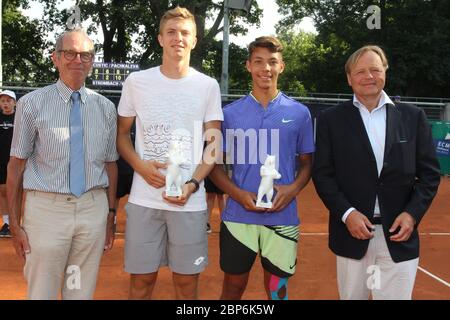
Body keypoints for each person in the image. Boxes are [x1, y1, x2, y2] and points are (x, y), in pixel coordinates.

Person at [312, 45, 440, 300]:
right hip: (351, 235)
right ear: (349, 78)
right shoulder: (330, 119)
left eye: (375, 69)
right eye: (360, 71)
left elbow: (429, 174)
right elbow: (323, 174)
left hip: (399, 237)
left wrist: (412, 214)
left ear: (385, 73)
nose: (368, 76)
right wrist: (347, 214)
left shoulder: (413, 117)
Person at [117, 6, 223, 300]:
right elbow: (121, 134)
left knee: (187, 286)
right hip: (143, 200)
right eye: (172, 32)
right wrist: (140, 166)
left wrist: (192, 185)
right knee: (141, 283)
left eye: (185, 33)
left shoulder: (207, 85)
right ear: (160, 38)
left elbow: (213, 144)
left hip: (189, 203)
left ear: (194, 40)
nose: (178, 38)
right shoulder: (136, 82)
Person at [7, 28, 118, 300]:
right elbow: (15, 166)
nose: (77, 60)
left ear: (92, 61)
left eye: (85, 55)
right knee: (41, 293)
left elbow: (111, 165)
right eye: (70, 53)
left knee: (79, 292)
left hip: (93, 210)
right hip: (46, 213)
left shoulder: (105, 108)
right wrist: (15, 224)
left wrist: (110, 213)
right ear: (55, 58)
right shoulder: (31, 104)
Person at [209, 36, 315, 300]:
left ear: (282, 67)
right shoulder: (229, 114)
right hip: (238, 217)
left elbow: (307, 163)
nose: (265, 68)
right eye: (258, 62)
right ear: (248, 66)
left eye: (272, 62)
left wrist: (291, 190)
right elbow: (214, 166)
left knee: (277, 289)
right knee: (232, 287)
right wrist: (238, 194)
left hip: (282, 217)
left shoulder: (300, 113)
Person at [0, 90, 16, 237]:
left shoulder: (20, 118)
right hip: (0, 161)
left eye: (8, 100)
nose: (5, 103)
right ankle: (6, 224)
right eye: (3, 101)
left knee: (16, 192)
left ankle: (16, 222)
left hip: (15, 161)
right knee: (3, 191)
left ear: (14, 103)